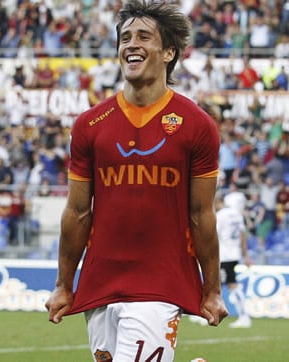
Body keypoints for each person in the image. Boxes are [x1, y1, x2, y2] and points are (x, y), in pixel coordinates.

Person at [44, 2, 228, 361]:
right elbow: (78, 212)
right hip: (100, 282)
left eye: (144, 36)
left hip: (161, 281)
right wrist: (64, 285)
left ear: (169, 52)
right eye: (125, 37)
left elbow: (201, 215)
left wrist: (212, 289)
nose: (132, 44)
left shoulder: (196, 125)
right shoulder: (89, 124)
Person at [218, 193, 253, 328]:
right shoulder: (238, 216)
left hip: (224, 255)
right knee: (222, 284)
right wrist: (245, 256)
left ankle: (244, 316)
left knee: (230, 285)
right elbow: (243, 236)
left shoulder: (221, 215)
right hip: (234, 254)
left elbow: (213, 235)